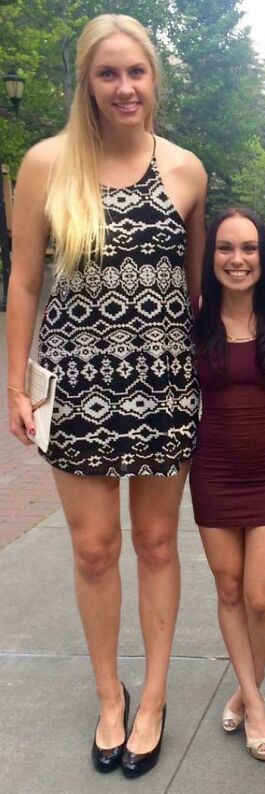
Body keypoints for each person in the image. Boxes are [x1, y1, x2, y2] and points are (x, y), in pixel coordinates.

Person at [6, 14, 208, 778]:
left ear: (155, 79)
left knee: (157, 544)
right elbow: (24, 282)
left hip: (161, 384)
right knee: (94, 550)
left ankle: (152, 695)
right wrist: (18, 385)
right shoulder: (45, 164)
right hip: (76, 386)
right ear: (87, 83)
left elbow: (192, 290)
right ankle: (109, 696)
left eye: (137, 72)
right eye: (108, 73)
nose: (125, 87)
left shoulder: (187, 171)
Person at [189, 208, 265, 762]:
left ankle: (243, 687)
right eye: (226, 249)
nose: (238, 259)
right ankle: (254, 700)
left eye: (250, 248)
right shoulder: (192, 317)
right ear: (212, 258)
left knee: (260, 595)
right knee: (229, 589)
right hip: (212, 469)